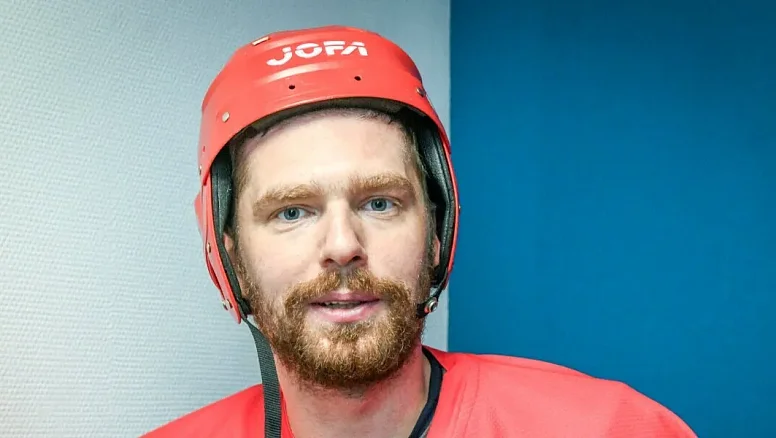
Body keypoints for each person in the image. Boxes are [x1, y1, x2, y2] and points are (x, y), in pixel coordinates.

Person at [143, 25, 697, 438]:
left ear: (436, 235)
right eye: (292, 212)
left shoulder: (610, 428)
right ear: (231, 260)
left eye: (380, 203)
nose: (342, 246)